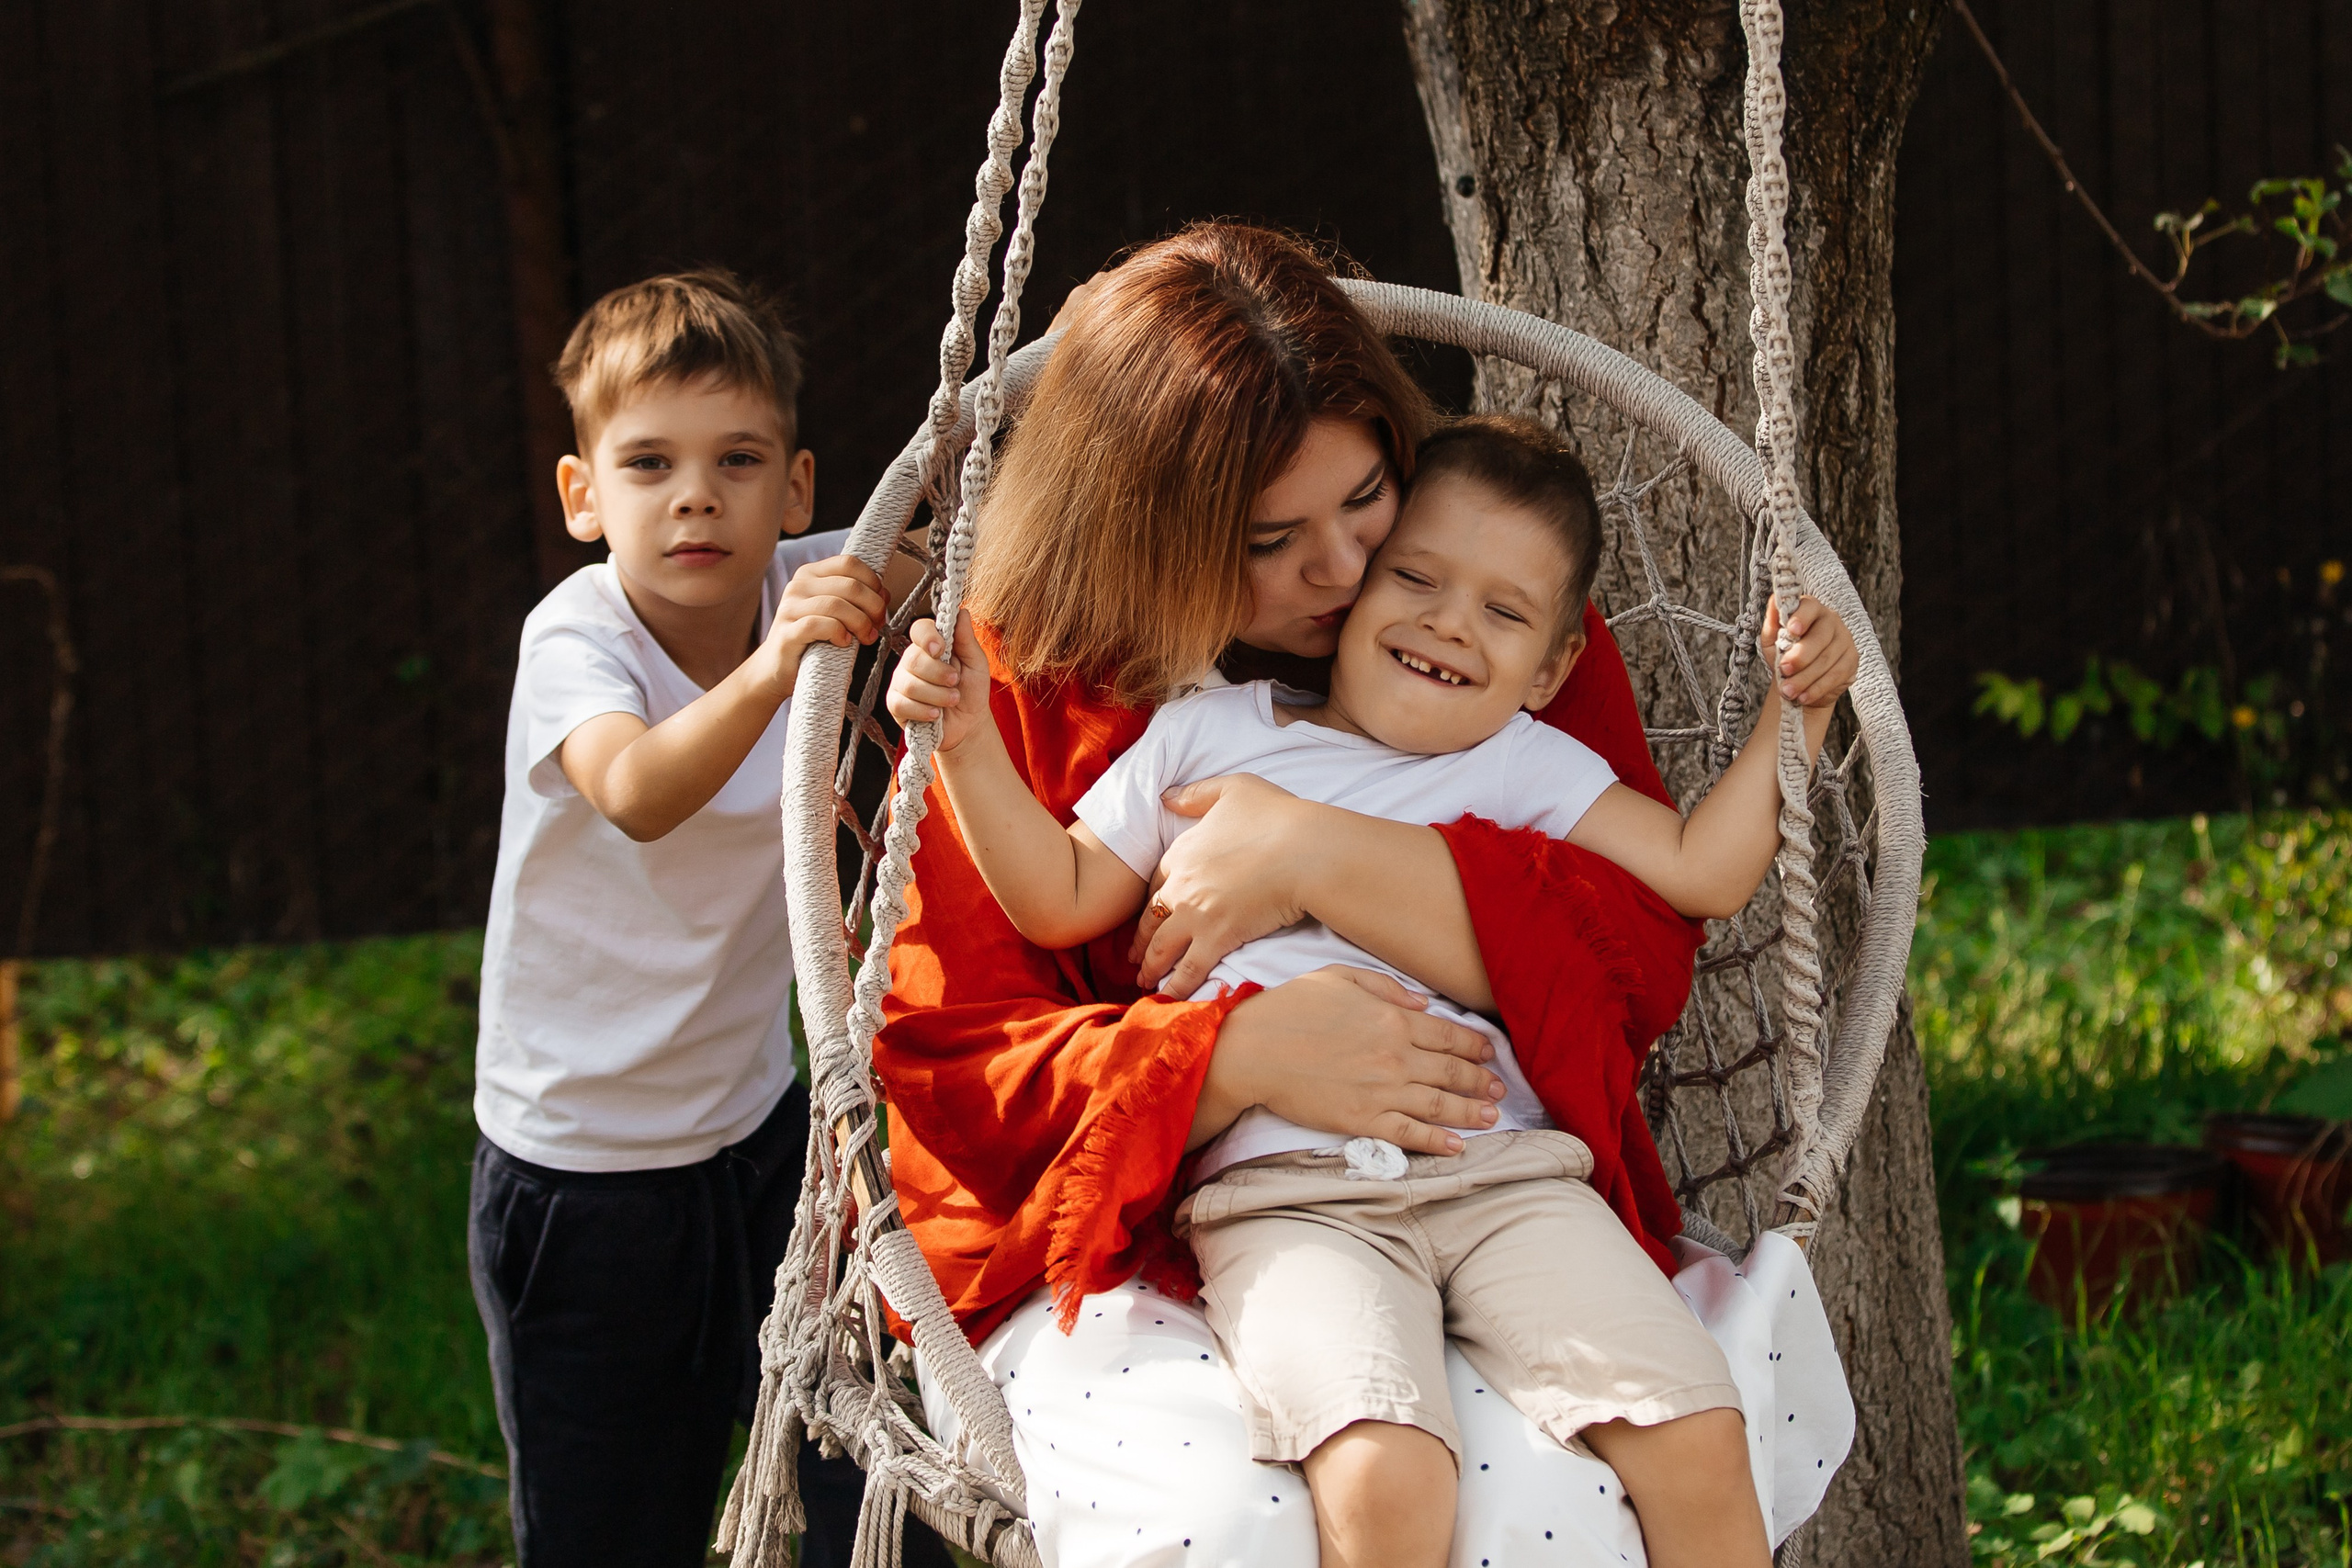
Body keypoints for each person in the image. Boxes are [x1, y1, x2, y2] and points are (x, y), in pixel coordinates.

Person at [873, 222, 1850, 1568]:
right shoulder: (1059, 687)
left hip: (1497, 1182)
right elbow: (959, 1057)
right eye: (1270, 540)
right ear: (1146, 533)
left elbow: (1644, 943)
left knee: (1639, 1455)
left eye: (1366, 500)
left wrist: (1313, 854)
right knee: (1266, 1509)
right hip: (1204, 1218)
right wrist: (1223, 1056)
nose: (1341, 575)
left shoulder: (1473, 616)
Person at [466, 270, 951, 1568]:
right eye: (650, 464)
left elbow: (972, 560)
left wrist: (966, 504)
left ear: (795, 490)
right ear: (585, 498)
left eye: (738, 460)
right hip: (585, 1175)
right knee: (617, 1520)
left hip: (756, 1137)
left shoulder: (811, 584)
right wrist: (779, 663)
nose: (697, 496)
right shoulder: (580, 638)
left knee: (870, 1480)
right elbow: (635, 792)